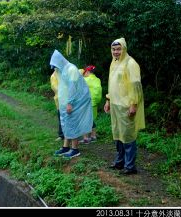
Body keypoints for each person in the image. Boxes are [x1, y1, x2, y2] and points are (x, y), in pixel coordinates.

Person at [104, 38, 145, 175]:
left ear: (124, 49)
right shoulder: (114, 63)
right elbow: (112, 83)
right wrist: (108, 100)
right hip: (115, 104)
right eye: (114, 49)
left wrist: (133, 104)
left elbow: (135, 86)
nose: (116, 52)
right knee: (117, 134)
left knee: (127, 135)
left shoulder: (130, 63)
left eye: (119, 49)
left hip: (126, 105)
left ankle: (130, 166)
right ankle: (120, 162)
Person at [50, 49, 94, 159]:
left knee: (73, 123)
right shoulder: (64, 70)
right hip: (68, 101)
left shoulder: (71, 69)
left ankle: (75, 149)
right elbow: (64, 87)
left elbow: (73, 87)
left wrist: (70, 103)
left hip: (76, 101)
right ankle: (65, 147)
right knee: (67, 123)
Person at [80, 65, 101, 144]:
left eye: (84, 72)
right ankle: (93, 136)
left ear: (88, 72)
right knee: (91, 119)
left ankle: (85, 138)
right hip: (94, 103)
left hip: (86, 103)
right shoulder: (97, 79)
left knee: (84, 120)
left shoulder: (85, 80)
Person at [50, 68, 64, 142]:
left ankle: (69, 135)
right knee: (61, 118)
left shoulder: (64, 73)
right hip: (59, 100)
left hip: (66, 100)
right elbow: (55, 88)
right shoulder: (54, 76)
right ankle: (61, 135)